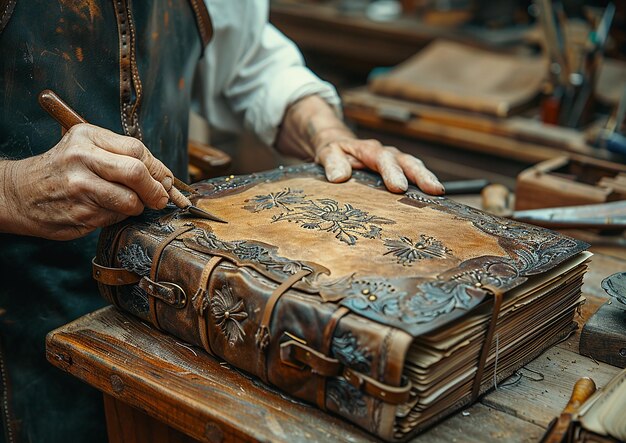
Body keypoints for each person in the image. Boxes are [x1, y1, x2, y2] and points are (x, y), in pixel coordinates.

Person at [0, 1, 444, 441]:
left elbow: (252, 63)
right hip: (22, 326)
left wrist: (326, 133)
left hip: (174, 297)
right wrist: (13, 191)